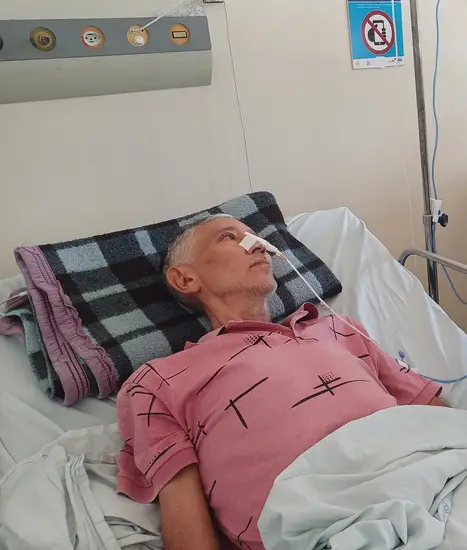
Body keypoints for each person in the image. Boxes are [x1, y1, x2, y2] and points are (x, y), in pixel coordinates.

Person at [115, 215, 445, 550]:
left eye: (257, 237)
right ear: (185, 278)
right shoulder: (157, 382)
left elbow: (440, 416)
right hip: (324, 528)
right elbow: (185, 519)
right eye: (230, 237)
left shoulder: (339, 328)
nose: (257, 244)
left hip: (437, 486)